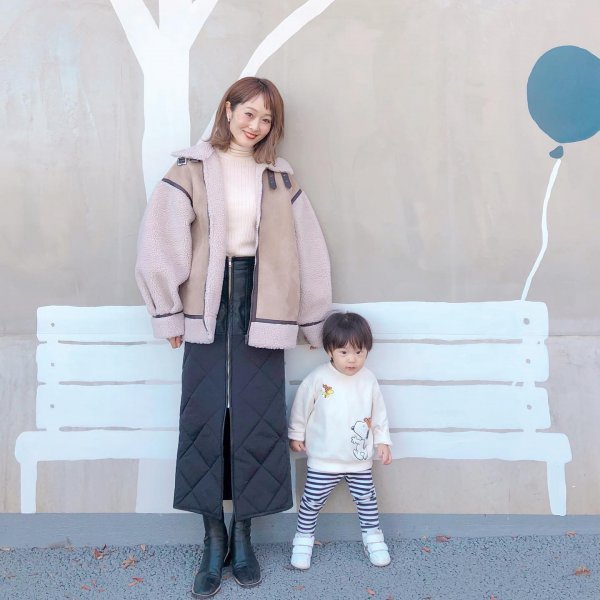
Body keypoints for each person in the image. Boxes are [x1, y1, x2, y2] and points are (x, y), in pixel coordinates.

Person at [135, 77, 331, 598]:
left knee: (259, 416)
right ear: (228, 109)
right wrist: (167, 314)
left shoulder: (280, 177)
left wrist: (312, 319)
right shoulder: (192, 168)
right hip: (206, 301)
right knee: (204, 416)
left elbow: (308, 250)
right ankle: (212, 537)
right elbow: (160, 242)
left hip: (263, 300)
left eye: (267, 119)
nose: (256, 126)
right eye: (249, 113)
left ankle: (244, 536)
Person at [288, 312, 392, 570]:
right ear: (330, 351)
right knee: (311, 503)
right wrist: (296, 433)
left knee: (367, 502)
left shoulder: (368, 380)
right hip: (323, 460)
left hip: (359, 462)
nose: (352, 359)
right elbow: (301, 407)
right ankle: (303, 542)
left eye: (358, 352)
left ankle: (374, 540)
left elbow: (379, 413)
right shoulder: (318, 379)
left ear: (367, 351)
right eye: (344, 352)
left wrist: (382, 441)